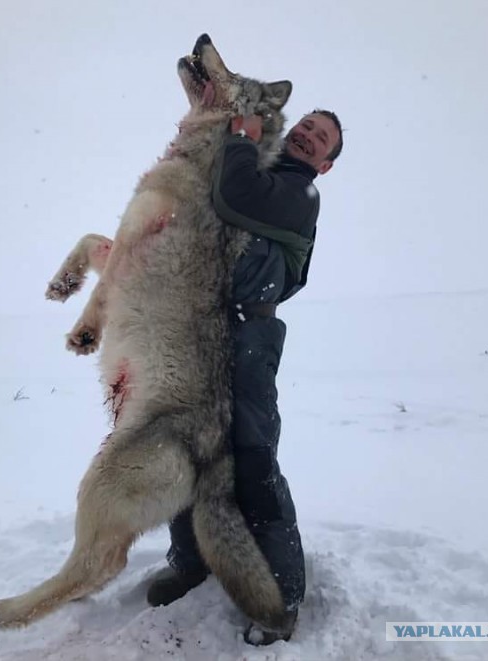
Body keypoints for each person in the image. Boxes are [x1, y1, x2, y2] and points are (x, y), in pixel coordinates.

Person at [147, 110, 343, 645]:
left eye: (320, 138)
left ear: (324, 165)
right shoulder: (254, 173)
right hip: (197, 329)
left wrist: (238, 137)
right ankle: (190, 562)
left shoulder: (298, 195)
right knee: (187, 450)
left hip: (248, 339)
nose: (306, 134)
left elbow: (235, 196)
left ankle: (280, 599)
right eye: (306, 125)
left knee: (253, 458)